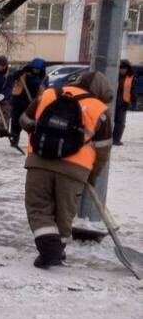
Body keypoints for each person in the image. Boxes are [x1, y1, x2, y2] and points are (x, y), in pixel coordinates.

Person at [20, 71, 113, 269]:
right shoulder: (101, 110)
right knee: (64, 214)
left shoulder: (49, 94)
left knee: (38, 208)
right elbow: (103, 151)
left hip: (39, 162)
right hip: (75, 170)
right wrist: (92, 176)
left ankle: (49, 251)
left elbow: (24, 121)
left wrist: (42, 132)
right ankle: (56, 249)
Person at [9, 58, 48, 147]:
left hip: (32, 102)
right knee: (16, 120)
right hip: (19, 99)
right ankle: (14, 138)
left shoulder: (44, 77)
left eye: (38, 69)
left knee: (30, 121)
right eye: (34, 68)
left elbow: (45, 89)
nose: (36, 70)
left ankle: (33, 140)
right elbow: (13, 77)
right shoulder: (24, 72)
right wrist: (19, 72)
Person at [113, 59, 135, 146]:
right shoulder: (114, 76)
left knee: (120, 123)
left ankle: (116, 139)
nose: (122, 69)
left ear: (128, 69)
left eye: (124, 68)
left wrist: (131, 101)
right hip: (112, 102)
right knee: (109, 121)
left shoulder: (131, 78)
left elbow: (133, 91)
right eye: (120, 67)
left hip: (123, 103)